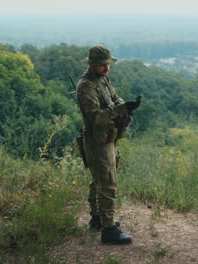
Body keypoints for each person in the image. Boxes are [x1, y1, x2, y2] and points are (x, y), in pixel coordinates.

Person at [76, 45, 140, 244]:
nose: (106, 68)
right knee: (107, 182)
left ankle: (97, 219)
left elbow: (114, 97)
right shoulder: (86, 85)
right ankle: (109, 229)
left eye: (108, 64)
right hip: (97, 140)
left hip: (107, 137)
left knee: (99, 180)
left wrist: (125, 106)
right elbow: (95, 117)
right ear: (93, 64)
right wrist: (121, 109)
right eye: (102, 65)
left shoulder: (102, 79)